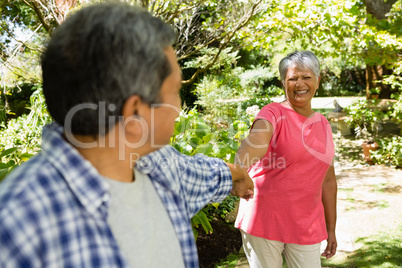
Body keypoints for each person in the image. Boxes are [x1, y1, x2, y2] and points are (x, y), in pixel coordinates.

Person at [0, 3, 254, 268]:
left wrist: (239, 175)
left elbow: (207, 172)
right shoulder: (16, 226)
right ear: (134, 114)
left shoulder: (159, 165)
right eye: (175, 90)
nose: (178, 108)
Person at [234, 51, 337, 268]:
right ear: (284, 83)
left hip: (306, 223)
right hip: (265, 218)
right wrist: (240, 169)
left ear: (318, 81)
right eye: (292, 78)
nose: (300, 83)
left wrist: (331, 229)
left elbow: (327, 181)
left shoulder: (323, 124)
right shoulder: (272, 113)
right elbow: (255, 141)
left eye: (306, 77)